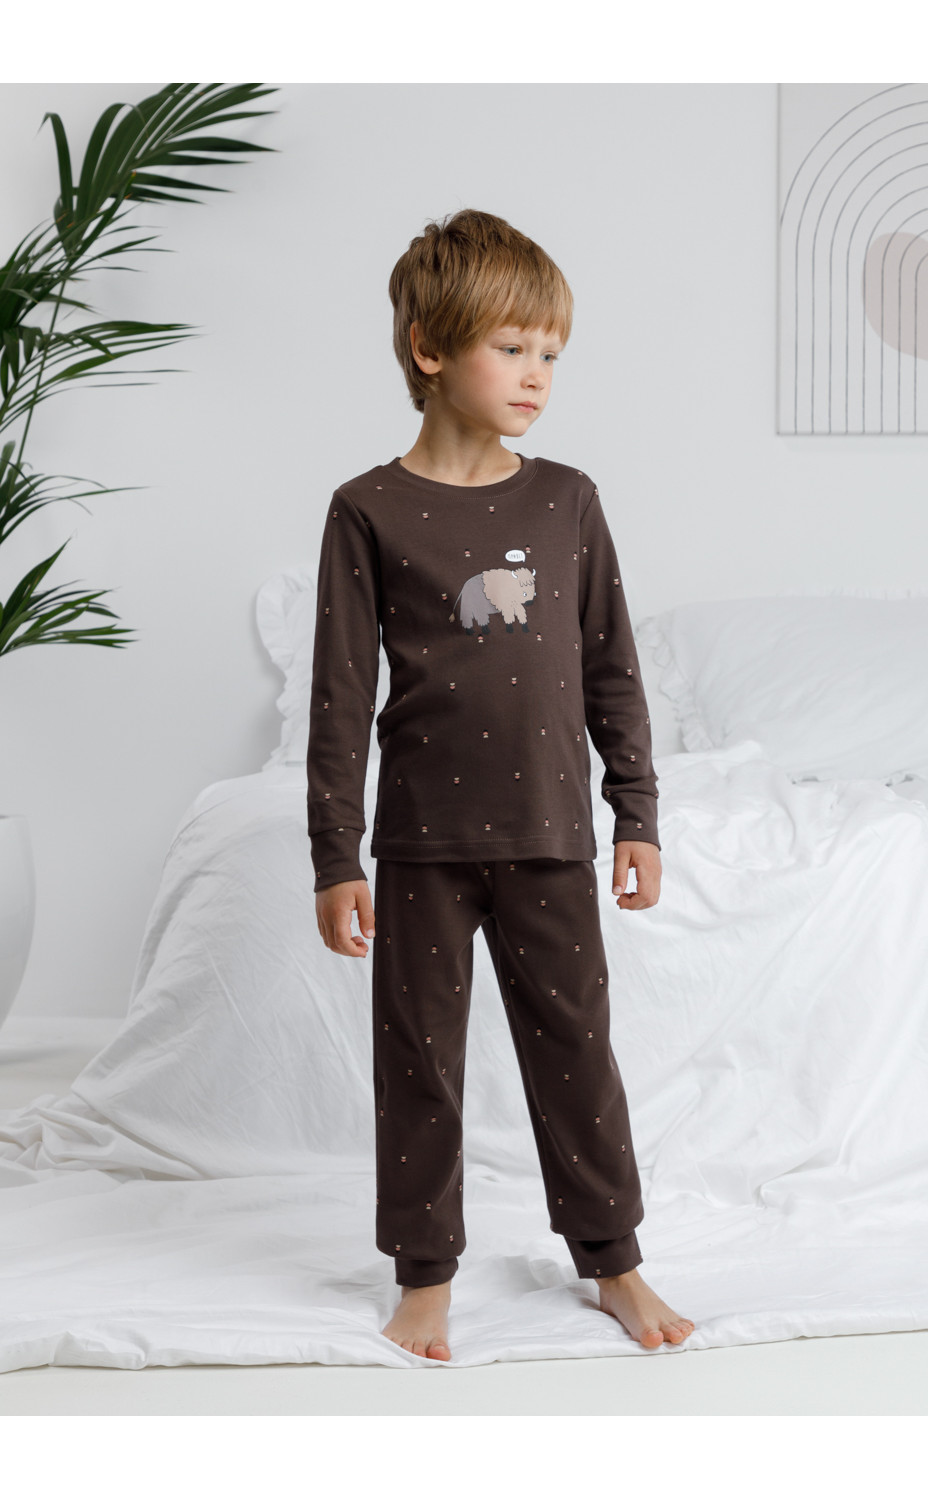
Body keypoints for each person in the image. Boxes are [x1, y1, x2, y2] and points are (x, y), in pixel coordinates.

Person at [306, 207, 695, 1362]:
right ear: (429, 348)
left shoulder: (567, 499)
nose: (537, 375)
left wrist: (637, 811)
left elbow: (612, 664)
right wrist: (333, 856)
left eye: (551, 353)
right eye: (512, 347)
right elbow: (340, 696)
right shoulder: (368, 510)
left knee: (576, 1052)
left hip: (550, 835)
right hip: (420, 845)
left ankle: (613, 1261)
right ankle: (423, 1276)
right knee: (418, 1061)